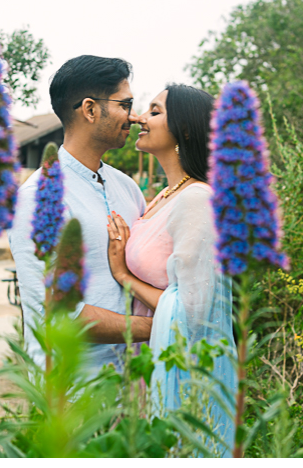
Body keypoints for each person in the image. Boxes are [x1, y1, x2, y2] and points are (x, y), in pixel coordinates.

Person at [106, 84, 236, 457]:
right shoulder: (165, 195)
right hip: (144, 363)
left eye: (155, 111)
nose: (139, 118)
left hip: (174, 371)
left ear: (186, 131)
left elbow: (195, 311)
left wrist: (125, 277)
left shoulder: (197, 199)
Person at [8, 55, 151, 374]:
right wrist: (164, 325)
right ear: (90, 109)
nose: (134, 116)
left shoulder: (127, 188)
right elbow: (59, 315)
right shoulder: (38, 200)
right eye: (124, 104)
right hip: (72, 397)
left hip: (135, 387)